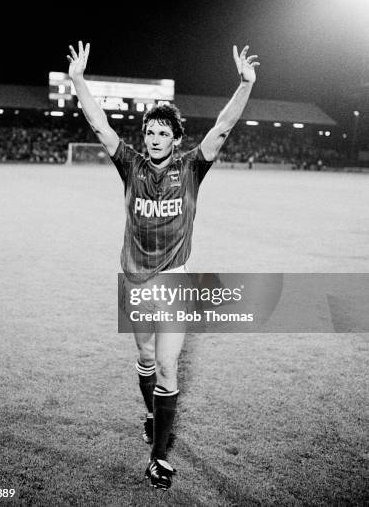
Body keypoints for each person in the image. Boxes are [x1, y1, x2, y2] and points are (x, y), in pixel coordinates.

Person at [67, 40, 259, 490]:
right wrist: (78, 80)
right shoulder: (130, 165)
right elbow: (99, 125)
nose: (153, 139)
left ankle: (157, 457)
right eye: (149, 132)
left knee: (169, 367)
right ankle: (154, 412)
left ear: (175, 138)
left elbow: (224, 126)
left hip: (173, 279)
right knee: (146, 356)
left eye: (161, 133)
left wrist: (245, 84)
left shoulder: (192, 167)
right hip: (135, 278)